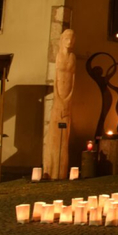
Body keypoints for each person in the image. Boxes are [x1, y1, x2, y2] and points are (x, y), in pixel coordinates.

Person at [43, 29, 75, 179]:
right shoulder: (58, 56)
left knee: (65, 132)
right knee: (55, 131)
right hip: (58, 98)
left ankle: (62, 169)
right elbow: (55, 78)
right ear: (62, 40)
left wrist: (69, 96)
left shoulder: (73, 58)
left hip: (68, 96)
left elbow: (73, 78)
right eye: (67, 38)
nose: (69, 41)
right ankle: (52, 168)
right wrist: (59, 97)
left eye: (72, 39)